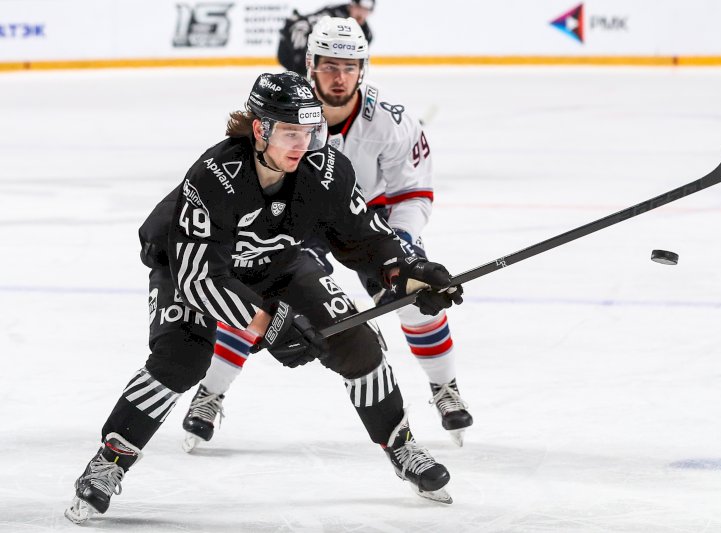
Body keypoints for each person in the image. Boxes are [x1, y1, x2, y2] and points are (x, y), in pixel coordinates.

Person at [64, 71, 464, 525]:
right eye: (290, 132)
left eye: (309, 131)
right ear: (261, 129)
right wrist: (268, 324)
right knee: (181, 360)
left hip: (275, 263)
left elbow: (367, 239)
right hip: (188, 268)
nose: (302, 144)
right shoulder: (214, 177)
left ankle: (400, 444)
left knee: (358, 343)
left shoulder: (326, 170)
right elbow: (199, 279)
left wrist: (410, 273)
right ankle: (109, 461)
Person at [181, 16, 474, 453]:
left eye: (350, 67)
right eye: (329, 66)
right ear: (310, 65)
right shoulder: (283, 113)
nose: (340, 77)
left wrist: (403, 248)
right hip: (298, 219)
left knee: (416, 296)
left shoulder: (392, 122)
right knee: (259, 297)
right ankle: (211, 391)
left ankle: (444, 386)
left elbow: (412, 194)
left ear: (363, 68)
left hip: (366, 221)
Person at [277, 0, 374, 77]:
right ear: (351, 5)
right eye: (359, 8)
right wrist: (299, 59)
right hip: (290, 54)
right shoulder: (332, 14)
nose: (362, 13)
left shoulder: (366, 34)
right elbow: (299, 25)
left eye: (366, 10)